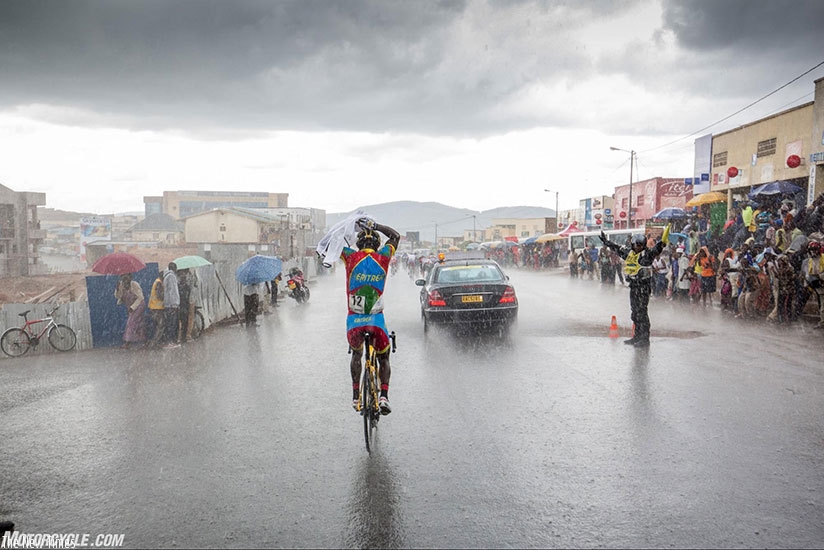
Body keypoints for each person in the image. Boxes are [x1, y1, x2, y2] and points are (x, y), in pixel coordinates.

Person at [342, 218, 400, 414]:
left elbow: (333, 245)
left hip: (354, 323)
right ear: (377, 244)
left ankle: (356, 396)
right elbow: (395, 236)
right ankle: (383, 396)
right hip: (376, 321)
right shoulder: (383, 256)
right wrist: (375, 226)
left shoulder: (350, 257)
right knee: (384, 356)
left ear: (358, 244)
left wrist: (345, 226)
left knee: (357, 353)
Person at [600, 224, 669, 347]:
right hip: (633, 286)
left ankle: (644, 338)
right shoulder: (630, 254)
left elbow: (656, 250)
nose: (638, 247)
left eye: (640, 245)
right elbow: (617, 249)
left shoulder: (646, 256)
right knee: (635, 313)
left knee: (642, 313)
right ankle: (636, 336)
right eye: (636, 245)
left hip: (643, 287)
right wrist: (606, 242)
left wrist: (662, 243)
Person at [114, 272, 146, 348]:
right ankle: (144, 341)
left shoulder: (135, 285)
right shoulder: (120, 285)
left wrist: (133, 307)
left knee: (130, 322)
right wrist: (117, 289)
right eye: (123, 278)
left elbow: (141, 297)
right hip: (130, 307)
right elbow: (117, 296)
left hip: (139, 305)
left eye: (126, 278)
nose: (125, 280)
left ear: (130, 277)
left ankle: (127, 343)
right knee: (139, 323)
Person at [162, 262, 180, 348]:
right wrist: (174, 304)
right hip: (171, 304)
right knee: (171, 324)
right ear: (174, 268)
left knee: (168, 323)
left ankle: (168, 341)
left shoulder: (166, 276)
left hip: (167, 303)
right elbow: (173, 291)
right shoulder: (171, 277)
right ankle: (169, 342)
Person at [177, 268, 195, 344]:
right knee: (185, 322)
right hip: (185, 306)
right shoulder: (187, 287)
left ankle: (181, 337)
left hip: (180, 306)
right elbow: (188, 296)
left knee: (180, 322)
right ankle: (184, 337)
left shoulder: (178, 287)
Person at [147, 271, 165, 347]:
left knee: (156, 325)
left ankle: (153, 341)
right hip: (157, 308)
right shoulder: (159, 283)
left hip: (153, 307)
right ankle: (155, 342)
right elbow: (159, 295)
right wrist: (166, 295)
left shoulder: (156, 281)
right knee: (161, 325)